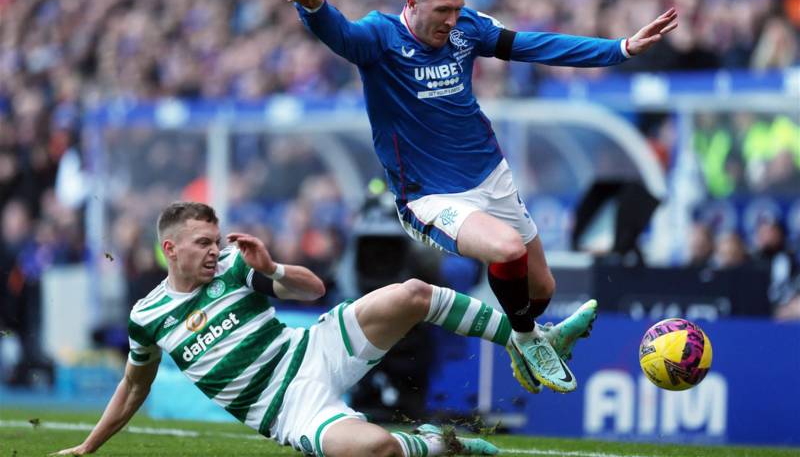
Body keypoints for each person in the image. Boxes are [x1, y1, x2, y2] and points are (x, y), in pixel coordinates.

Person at [285, 0, 677, 393]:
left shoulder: (466, 27)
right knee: (508, 251)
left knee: (541, 288)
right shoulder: (380, 36)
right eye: (442, 11)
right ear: (412, 3)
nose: (452, 21)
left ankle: (529, 339)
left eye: (458, 9)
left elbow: (533, 45)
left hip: (492, 177)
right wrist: (314, 6)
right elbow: (343, 35)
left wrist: (619, 49)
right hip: (430, 196)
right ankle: (529, 341)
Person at [53, 201, 595, 457]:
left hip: (313, 350)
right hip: (289, 411)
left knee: (412, 293)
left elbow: (312, 291)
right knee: (375, 448)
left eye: (216, 241)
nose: (214, 251)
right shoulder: (147, 317)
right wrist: (87, 448)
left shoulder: (237, 268)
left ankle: (528, 338)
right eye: (202, 244)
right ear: (170, 249)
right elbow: (133, 386)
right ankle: (443, 447)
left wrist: (272, 270)